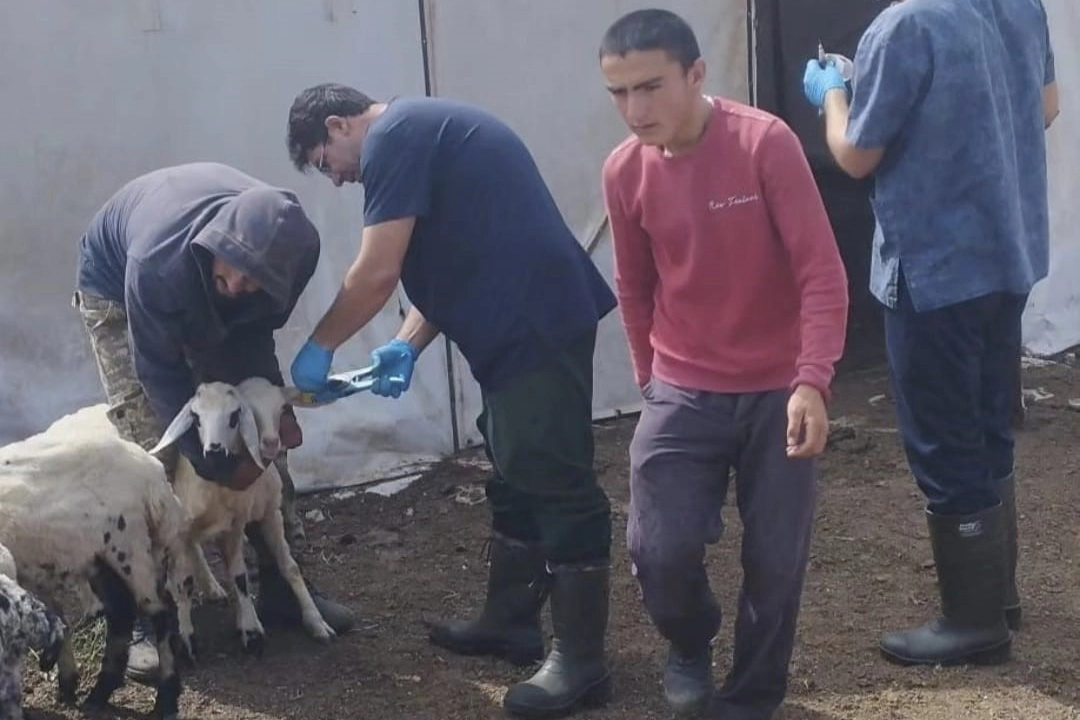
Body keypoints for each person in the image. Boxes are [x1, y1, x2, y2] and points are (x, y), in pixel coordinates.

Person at [284, 84, 618, 718]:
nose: (337, 181)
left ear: (338, 125)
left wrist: (320, 345)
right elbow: (453, 256)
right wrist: (406, 345)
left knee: (553, 476)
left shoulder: (394, 137)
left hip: (533, 321)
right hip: (516, 324)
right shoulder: (421, 132)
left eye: (326, 163)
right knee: (515, 465)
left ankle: (584, 663)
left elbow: (376, 271)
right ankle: (510, 623)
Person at [599, 9, 850, 719]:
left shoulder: (763, 143)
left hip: (779, 388)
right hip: (683, 386)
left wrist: (812, 380)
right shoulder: (624, 172)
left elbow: (821, 273)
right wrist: (650, 378)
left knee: (775, 563)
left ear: (697, 74)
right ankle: (690, 639)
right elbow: (635, 284)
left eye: (650, 87)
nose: (634, 110)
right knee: (658, 550)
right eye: (618, 93)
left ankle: (751, 698)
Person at [802, 0, 1058, 667]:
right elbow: (1047, 107)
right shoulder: (1021, 6)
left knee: (944, 443)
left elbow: (856, 155)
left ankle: (973, 625)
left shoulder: (904, 26)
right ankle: (997, 596)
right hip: (1010, 250)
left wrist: (833, 94)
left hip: (937, 267)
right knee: (988, 423)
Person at [73, 161, 356, 683]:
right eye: (230, 264)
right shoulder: (156, 263)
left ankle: (280, 586)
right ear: (216, 239)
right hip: (119, 292)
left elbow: (252, 331)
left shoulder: (297, 255)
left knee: (265, 431)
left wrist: (271, 415)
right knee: (149, 451)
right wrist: (218, 465)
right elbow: (159, 375)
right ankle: (145, 612)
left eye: (254, 276)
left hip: (204, 291)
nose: (235, 278)